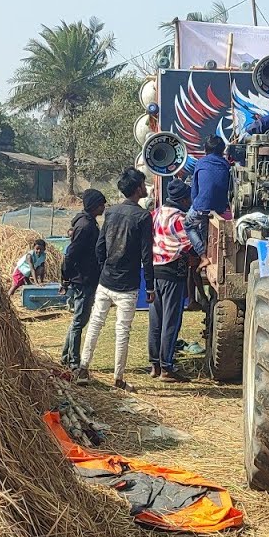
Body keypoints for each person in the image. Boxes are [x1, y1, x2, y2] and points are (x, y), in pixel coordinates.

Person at [78, 168, 155, 392]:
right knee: (122, 331)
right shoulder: (143, 216)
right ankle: (118, 378)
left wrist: (105, 268)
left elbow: (100, 247)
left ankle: (83, 368)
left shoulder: (111, 212)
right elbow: (146, 255)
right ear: (137, 188)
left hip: (106, 280)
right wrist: (149, 286)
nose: (145, 187)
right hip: (128, 284)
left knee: (95, 324)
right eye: (143, 183)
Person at [148, 179, 195, 383]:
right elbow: (188, 244)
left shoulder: (156, 214)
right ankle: (167, 366)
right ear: (183, 199)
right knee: (171, 321)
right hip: (173, 272)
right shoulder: (180, 218)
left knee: (155, 321)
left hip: (155, 270)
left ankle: (154, 364)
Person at [60, 188, 106, 370]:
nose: (103, 208)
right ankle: (73, 361)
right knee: (79, 321)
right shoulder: (85, 227)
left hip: (86, 277)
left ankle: (65, 356)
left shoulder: (87, 222)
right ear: (94, 206)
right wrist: (66, 277)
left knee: (78, 320)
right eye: (102, 204)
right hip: (83, 279)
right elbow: (71, 254)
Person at [186, 135, 232, 253]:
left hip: (201, 207)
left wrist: (195, 204)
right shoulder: (226, 165)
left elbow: (194, 190)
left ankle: (202, 254)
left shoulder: (200, 163)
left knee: (188, 226)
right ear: (222, 151)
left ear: (205, 150)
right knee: (205, 227)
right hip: (219, 208)